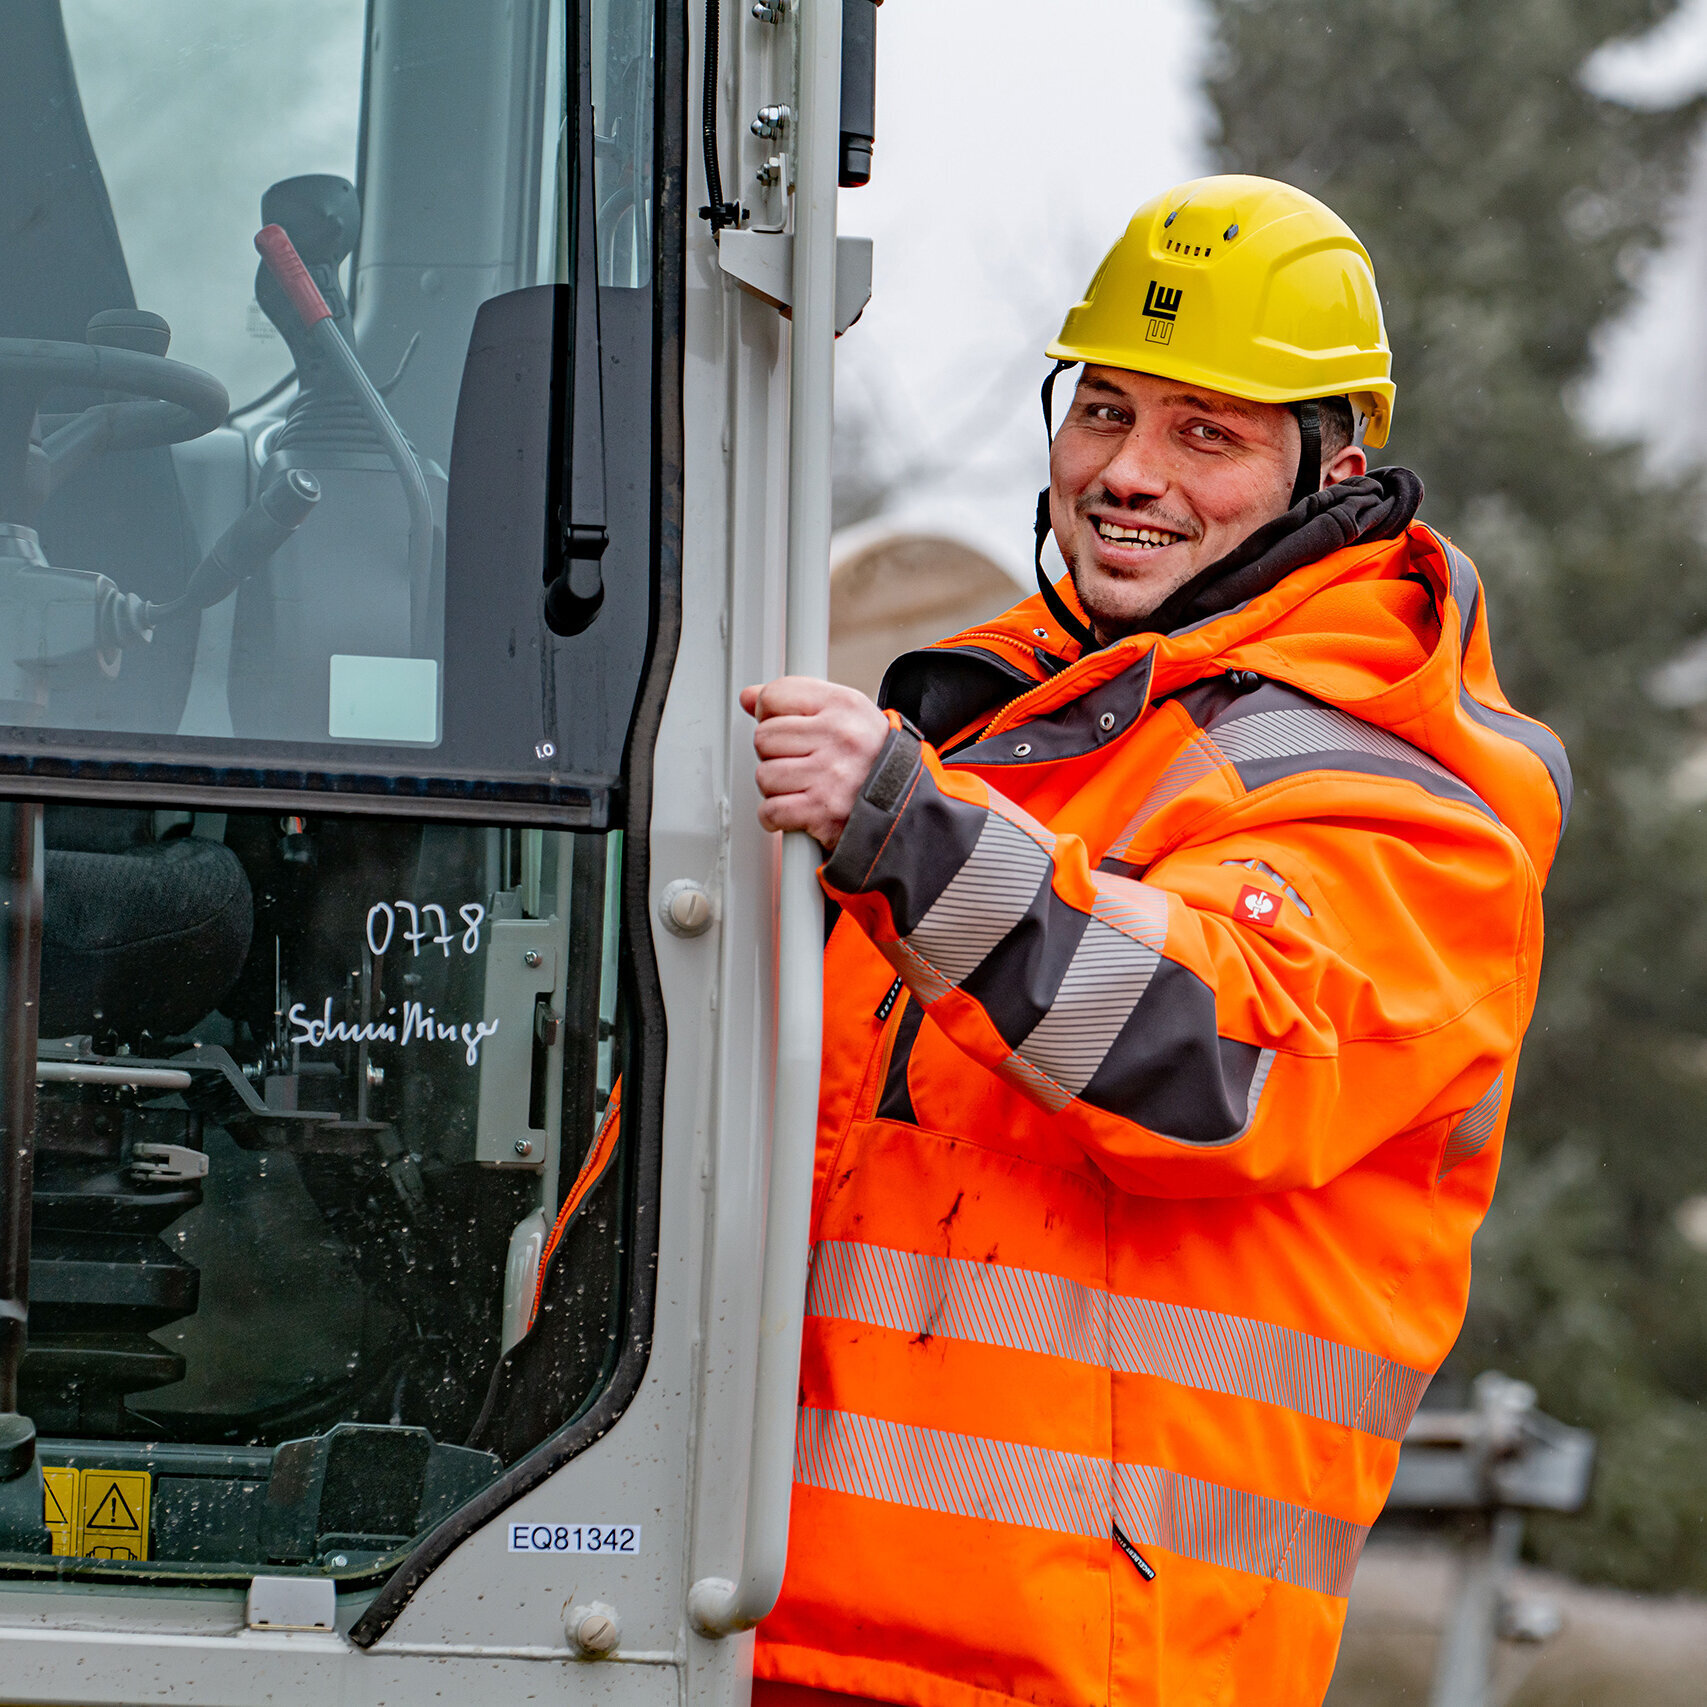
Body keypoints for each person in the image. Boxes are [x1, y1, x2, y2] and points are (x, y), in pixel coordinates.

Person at [741, 175, 1569, 1707]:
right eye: (1103, 410)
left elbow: (1208, 1055)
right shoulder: (1025, 722)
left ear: (1336, 464)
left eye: (1208, 433)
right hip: (780, 1630)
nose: (1127, 473)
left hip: (1089, 1673)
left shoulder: (1410, 794)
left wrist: (906, 831)